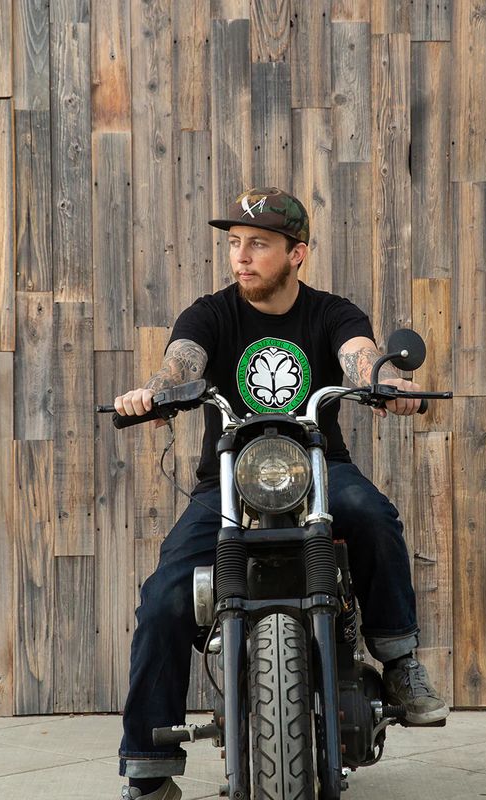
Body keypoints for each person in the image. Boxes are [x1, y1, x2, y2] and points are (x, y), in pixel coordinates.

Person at [114, 188, 449, 800]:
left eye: (259, 245)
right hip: (227, 480)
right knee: (165, 595)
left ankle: (400, 660)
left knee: (372, 514)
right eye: (235, 244)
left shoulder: (332, 312)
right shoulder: (210, 314)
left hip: (318, 467)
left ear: (297, 254)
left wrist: (385, 382)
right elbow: (181, 363)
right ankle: (147, 766)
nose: (241, 257)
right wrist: (155, 393)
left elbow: (359, 355)